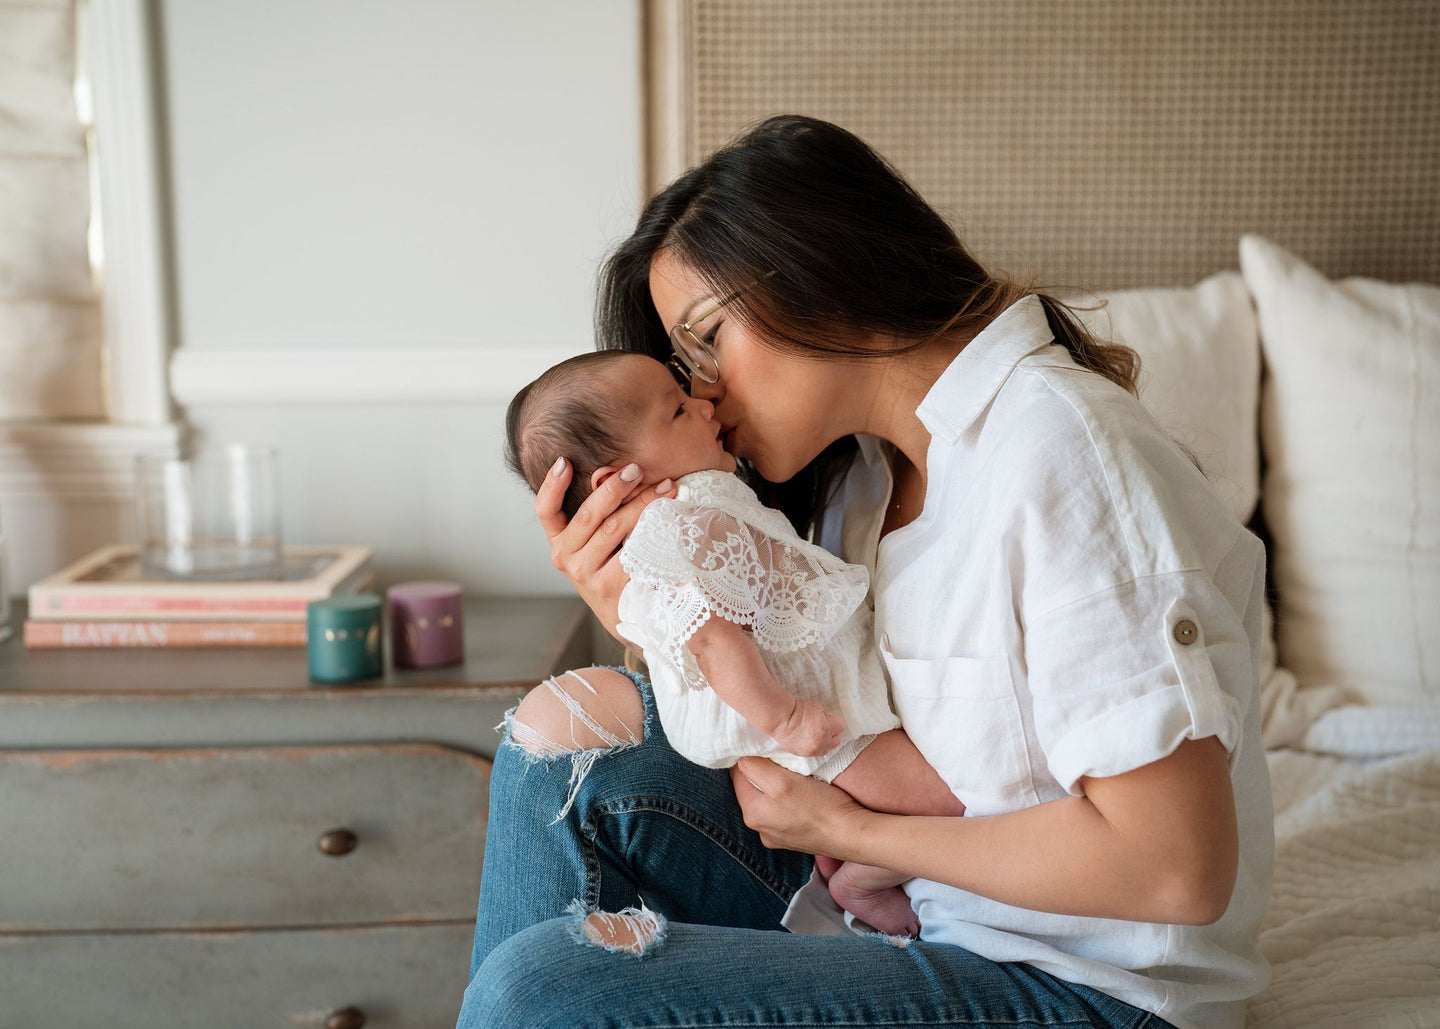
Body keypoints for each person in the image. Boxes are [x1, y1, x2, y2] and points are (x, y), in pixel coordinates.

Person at [458, 115, 1272, 1029]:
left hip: (1084, 990)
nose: (708, 394)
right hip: (917, 914)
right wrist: (639, 597)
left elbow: (1177, 866)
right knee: (562, 735)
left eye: (705, 341)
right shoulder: (863, 481)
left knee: (544, 988)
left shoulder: (1060, 454)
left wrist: (855, 834)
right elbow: (787, 711)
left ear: (812, 268)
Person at [504, 348, 966, 937]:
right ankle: (860, 882)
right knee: (953, 801)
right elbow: (714, 640)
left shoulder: (706, 507)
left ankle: (846, 871)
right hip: (819, 725)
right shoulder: (685, 523)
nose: (703, 400)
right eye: (676, 410)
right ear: (617, 480)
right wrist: (789, 719)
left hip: (802, 730)